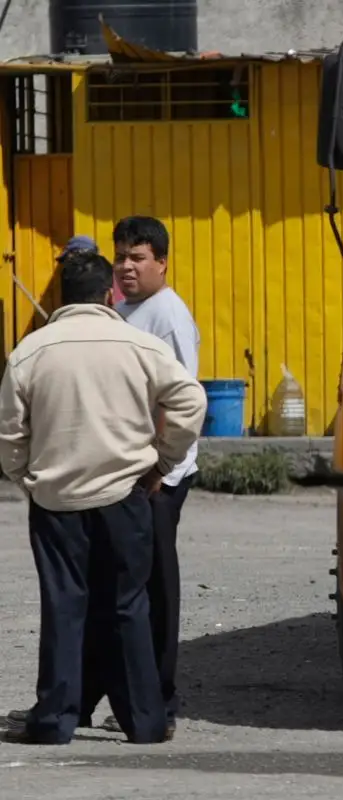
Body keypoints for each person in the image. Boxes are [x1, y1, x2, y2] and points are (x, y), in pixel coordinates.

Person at [0, 251, 206, 744]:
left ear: (61, 297)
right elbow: (191, 399)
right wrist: (162, 462)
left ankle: (54, 721)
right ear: (109, 293)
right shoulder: (137, 343)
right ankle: (146, 721)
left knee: (64, 606)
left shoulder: (30, 351)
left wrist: (24, 476)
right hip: (125, 494)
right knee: (128, 606)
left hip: (57, 501)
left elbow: (10, 431)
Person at [88, 216, 201, 737]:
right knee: (115, 585)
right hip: (124, 474)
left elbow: (178, 401)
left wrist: (161, 468)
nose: (126, 267)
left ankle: (162, 700)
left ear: (161, 262)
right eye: (120, 258)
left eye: (137, 258)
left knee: (154, 590)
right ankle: (107, 695)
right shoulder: (122, 310)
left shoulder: (167, 316)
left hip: (160, 478)